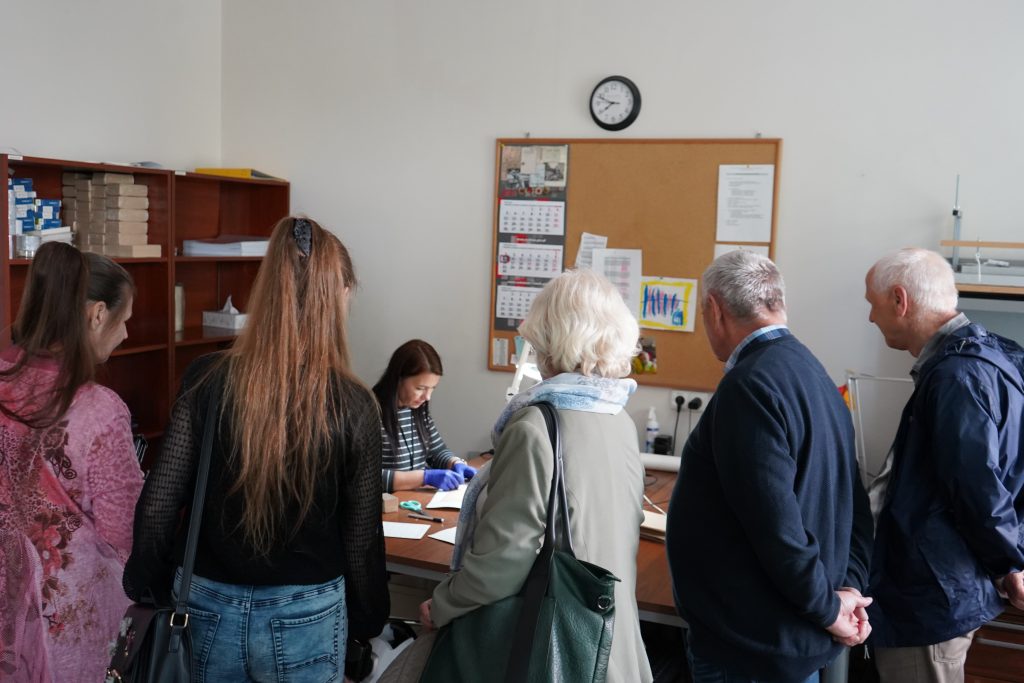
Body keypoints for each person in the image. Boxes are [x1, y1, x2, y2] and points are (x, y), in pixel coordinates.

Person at [123, 217, 389, 680]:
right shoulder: (354, 403)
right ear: (337, 294)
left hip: (206, 605)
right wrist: (368, 620)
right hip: (310, 610)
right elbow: (361, 537)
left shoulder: (207, 378)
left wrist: (147, 583)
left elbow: (159, 505)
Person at [381, 268, 653, 682]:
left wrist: (441, 604)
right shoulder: (619, 420)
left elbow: (502, 560)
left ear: (550, 337)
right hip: (611, 641)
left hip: (550, 648)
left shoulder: (535, 425)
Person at [665, 250, 873, 683]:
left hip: (752, 650)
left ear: (714, 310)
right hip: (790, 638)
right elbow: (854, 505)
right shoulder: (815, 373)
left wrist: (830, 606)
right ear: (779, 304)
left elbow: (775, 527)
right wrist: (849, 588)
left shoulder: (748, 387)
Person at [863, 247, 1024, 681]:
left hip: (931, 595)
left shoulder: (957, 375)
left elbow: (977, 488)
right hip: (945, 584)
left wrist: (1009, 562)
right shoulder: (993, 354)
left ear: (900, 300)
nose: (871, 319)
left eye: (872, 305)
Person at [0, 242, 143, 682]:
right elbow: (124, 531)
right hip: (66, 608)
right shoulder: (100, 409)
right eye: (124, 321)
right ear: (98, 315)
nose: (125, 335)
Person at [373, 339, 475, 492]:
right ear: (398, 378)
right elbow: (364, 477)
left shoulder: (417, 409)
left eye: (432, 388)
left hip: (412, 502)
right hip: (384, 508)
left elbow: (437, 451)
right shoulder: (370, 413)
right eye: (420, 388)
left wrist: (454, 463)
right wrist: (424, 477)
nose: (427, 397)